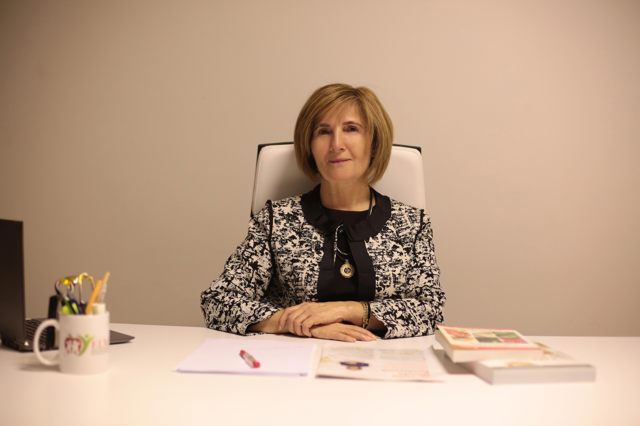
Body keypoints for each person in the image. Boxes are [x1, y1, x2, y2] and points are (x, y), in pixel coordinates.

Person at [201, 83, 445, 342]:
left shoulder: (412, 224)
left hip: (383, 361)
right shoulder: (276, 220)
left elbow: (431, 310)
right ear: (309, 146)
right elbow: (218, 301)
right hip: (292, 359)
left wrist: (348, 310)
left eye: (351, 129)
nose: (336, 144)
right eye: (323, 131)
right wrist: (303, 325)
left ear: (374, 143)